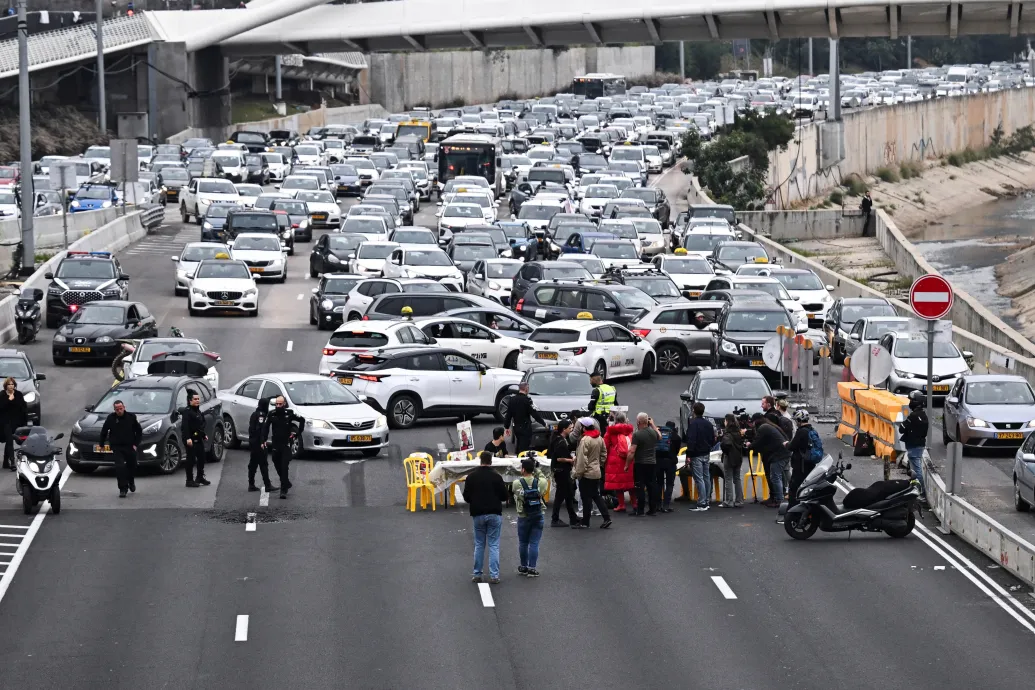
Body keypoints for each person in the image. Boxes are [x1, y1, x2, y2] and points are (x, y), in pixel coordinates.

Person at [463, 450, 508, 584]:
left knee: (479, 544)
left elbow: (466, 497)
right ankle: (494, 575)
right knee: (494, 545)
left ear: (480, 461)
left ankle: (477, 574)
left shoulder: (471, 477)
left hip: (478, 513)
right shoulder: (497, 477)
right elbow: (505, 496)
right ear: (491, 461)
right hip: (494, 513)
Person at [261, 396, 305, 499]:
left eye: (280, 404)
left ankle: (283, 489)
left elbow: (301, 420)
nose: (278, 406)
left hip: (286, 444)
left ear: (284, 404)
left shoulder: (289, 414)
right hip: (276, 444)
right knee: (277, 464)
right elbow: (266, 427)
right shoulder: (272, 414)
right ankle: (286, 482)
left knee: (284, 466)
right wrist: (263, 440)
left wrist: (297, 434)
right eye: (276, 404)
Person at [512, 457, 549, 577]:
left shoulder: (517, 483)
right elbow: (544, 478)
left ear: (523, 470)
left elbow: (514, 492)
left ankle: (523, 566)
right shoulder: (540, 483)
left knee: (523, 542)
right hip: (538, 514)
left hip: (523, 515)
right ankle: (532, 568)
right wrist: (537, 469)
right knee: (534, 543)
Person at [573, 417, 611, 528]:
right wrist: (599, 464)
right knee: (596, 495)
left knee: (586, 497)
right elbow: (604, 453)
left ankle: (585, 522)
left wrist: (578, 473)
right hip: (596, 471)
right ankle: (606, 517)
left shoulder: (585, 440)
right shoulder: (599, 438)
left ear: (584, 428)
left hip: (586, 473)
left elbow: (581, 459)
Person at [100, 399, 142, 498]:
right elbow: (104, 431)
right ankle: (123, 488)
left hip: (130, 446)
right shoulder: (111, 418)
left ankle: (131, 481)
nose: (119, 411)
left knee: (132, 465)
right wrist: (101, 444)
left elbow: (139, 431)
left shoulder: (131, 417)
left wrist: (136, 444)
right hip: (117, 447)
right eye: (117, 409)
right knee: (120, 467)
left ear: (124, 407)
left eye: (121, 408)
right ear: (114, 409)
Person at [751, 412, 791, 507]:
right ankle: (774, 497)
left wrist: (749, 446)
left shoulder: (763, 428)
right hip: (782, 453)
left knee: (775, 477)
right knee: (776, 476)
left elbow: (757, 442)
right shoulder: (769, 425)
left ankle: (779, 500)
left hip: (779, 455)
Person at [547, 419, 581, 528]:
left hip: (561, 471)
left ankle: (572, 517)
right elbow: (559, 458)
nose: (571, 430)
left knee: (567, 495)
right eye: (570, 428)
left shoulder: (559, 439)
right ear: (564, 429)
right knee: (563, 496)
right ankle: (557, 519)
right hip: (562, 472)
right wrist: (571, 460)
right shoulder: (560, 442)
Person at [786, 408, 821, 508]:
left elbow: (792, 446)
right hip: (810, 465)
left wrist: (786, 444)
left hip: (800, 466)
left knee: (794, 489)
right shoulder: (812, 430)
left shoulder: (801, 432)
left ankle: (793, 512)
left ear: (799, 420)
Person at [628, 412, 662, 516]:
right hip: (652, 463)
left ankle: (640, 510)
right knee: (651, 486)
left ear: (638, 422)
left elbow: (632, 451)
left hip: (640, 463)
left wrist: (627, 464)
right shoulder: (653, 432)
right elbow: (660, 436)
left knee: (640, 486)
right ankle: (653, 509)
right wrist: (653, 425)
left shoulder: (637, 434)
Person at [683, 402, 715, 512]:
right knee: (706, 477)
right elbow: (712, 439)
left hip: (696, 454)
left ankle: (701, 502)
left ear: (694, 411)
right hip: (706, 452)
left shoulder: (693, 424)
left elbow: (691, 440)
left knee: (699, 478)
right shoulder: (708, 424)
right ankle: (706, 500)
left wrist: (688, 455)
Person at [603, 411, 635, 513]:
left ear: (615, 420)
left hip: (615, 460)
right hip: (629, 460)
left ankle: (621, 505)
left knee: (618, 484)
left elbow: (605, 446)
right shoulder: (629, 431)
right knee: (631, 482)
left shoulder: (610, 431)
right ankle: (634, 503)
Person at [900, 392, 929, 501]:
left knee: (916, 470)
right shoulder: (924, 415)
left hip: (913, 446)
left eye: (911, 400)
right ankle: (915, 491)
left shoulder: (913, 416)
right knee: (915, 469)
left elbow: (902, 428)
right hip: (920, 444)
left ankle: (921, 493)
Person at [502, 382, 544, 455]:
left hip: (516, 427)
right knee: (524, 447)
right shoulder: (527, 400)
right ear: (526, 389)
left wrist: (506, 427)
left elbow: (508, 414)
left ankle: (518, 457)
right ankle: (522, 461)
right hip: (525, 427)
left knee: (519, 444)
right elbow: (534, 414)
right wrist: (543, 423)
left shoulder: (512, 400)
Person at [247, 397, 277, 493]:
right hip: (258, 443)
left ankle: (251, 484)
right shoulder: (261, 415)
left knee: (253, 464)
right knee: (263, 464)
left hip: (253, 442)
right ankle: (267, 485)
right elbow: (259, 430)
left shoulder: (254, 414)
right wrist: (262, 442)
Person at [180, 390, 208, 489]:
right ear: (190, 401)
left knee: (202, 458)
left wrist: (204, 435)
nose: (197, 401)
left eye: (198, 399)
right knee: (191, 459)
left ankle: (200, 477)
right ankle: (189, 480)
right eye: (195, 399)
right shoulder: (187, 412)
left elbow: (201, 424)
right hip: (190, 438)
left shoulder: (198, 411)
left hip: (198, 437)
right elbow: (185, 426)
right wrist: (188, 438)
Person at [0, 377, 27, 471]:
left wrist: (24, 422)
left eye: (12, 384)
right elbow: (1, 407)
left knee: (9, 440)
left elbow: (23, 408)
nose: (11, 386)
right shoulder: (2, 395)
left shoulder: (19, 394)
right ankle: (12, 461)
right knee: (10, 440)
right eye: (9, 384)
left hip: (15, 422)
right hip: (4, 422)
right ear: (5, 386)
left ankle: (5, 462)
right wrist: (9, 400)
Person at [719, 414, 745, 508]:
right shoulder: (738, 432)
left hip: (729, 457)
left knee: (728, 478)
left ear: (727, 421)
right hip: (738, 457)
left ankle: (729, 501)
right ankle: (739, 500)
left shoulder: (727, 433)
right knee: (737, 479)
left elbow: (726, 444)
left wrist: (725, 451)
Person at [655, 421, 679, 512]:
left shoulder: (658, 435)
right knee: (669, 484)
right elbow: (676, 451)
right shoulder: (676, 437)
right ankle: (666, 505)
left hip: (658, 461)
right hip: (670, 462)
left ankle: (658, 504)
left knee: (659, 483)